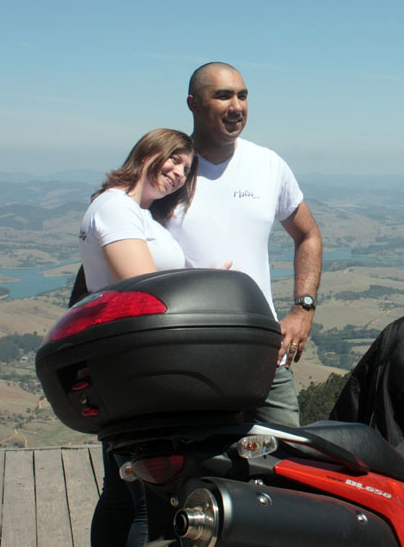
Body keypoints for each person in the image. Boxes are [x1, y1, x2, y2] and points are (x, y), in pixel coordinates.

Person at [167, 62, 322, 427]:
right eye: (223, 96)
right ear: (193, 104)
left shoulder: (268, 165)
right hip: (186, 357)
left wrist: (304, 309)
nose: (237, 106)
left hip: (263, 356)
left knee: (287, 469)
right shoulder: (168, 170)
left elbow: (309, 234)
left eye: (243, 95)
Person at [81, 128, 198, 547]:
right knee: (150, 502)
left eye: (186, 168)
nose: (179, 172)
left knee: (122, 492)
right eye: (173, 159)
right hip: (136, 368)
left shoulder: (138, 213)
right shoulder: (115, 207)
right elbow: (143, 290)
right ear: (149, 153)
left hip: (128, 363)